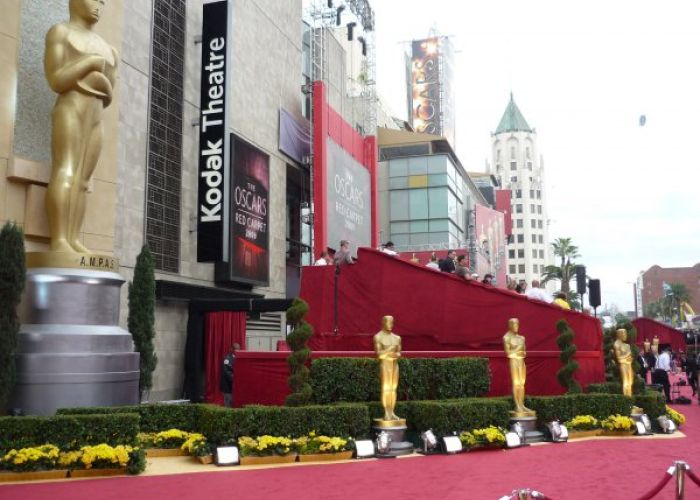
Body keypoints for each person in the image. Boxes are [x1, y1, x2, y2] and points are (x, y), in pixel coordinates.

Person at [45, 0, 118, 253]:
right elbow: (56, 79)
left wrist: (98, 80)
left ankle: (73, 238)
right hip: (70, 109)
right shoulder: (60, 32)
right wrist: (89, 64)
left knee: (84, 180)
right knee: (65, 170)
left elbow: (109, 92)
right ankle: (59, 240)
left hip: (96, 115)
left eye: (102, 1)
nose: (99, 5)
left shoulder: (108, 48)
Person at [502, 318, 535, 415]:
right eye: (514, 324)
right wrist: (519, 349)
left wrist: (518, 351)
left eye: (517, 324)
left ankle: (522, 404)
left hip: (521, 361)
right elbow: (508, 354)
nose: (516, 327)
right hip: (514, 361)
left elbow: (524, 353)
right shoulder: (506, 338)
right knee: (516, 383)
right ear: (510, 325)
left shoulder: (521, 338)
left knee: (521, 384)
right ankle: (517, 405)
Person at [373, 316, 402, 421]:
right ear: (383, 323)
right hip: (385, 365)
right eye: (388, 322)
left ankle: (392, 412)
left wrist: (394, 354)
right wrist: (390, 350)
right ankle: (386, 412)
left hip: (394, 365)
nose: (391, 324)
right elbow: (379, 355)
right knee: (386, 389)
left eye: (392, 322)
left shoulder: (397, 338)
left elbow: (399, 353)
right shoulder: (378, 337)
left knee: (393, 389)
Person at [220, 343, 240, 407]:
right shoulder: (227, 359)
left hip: (235, 387)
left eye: (238, 349)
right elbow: (227, 372)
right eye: (235, 349)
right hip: (228, 386)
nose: (237, 351)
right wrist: (235, 379)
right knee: (228, 403)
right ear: (231, 349)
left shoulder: (238, 358)